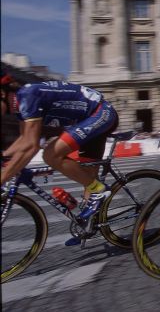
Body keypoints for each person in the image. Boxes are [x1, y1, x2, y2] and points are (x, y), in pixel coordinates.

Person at [1, 81, 119, 236]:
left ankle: (99, 190)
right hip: (86, 119)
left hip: (100, 113)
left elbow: (31, 146)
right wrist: (4, 157)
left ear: (2, 94)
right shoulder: (19, 104)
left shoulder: (27, 96)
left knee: (50, 154)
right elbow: (23, 139)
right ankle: (89, 226)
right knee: (87, 176)